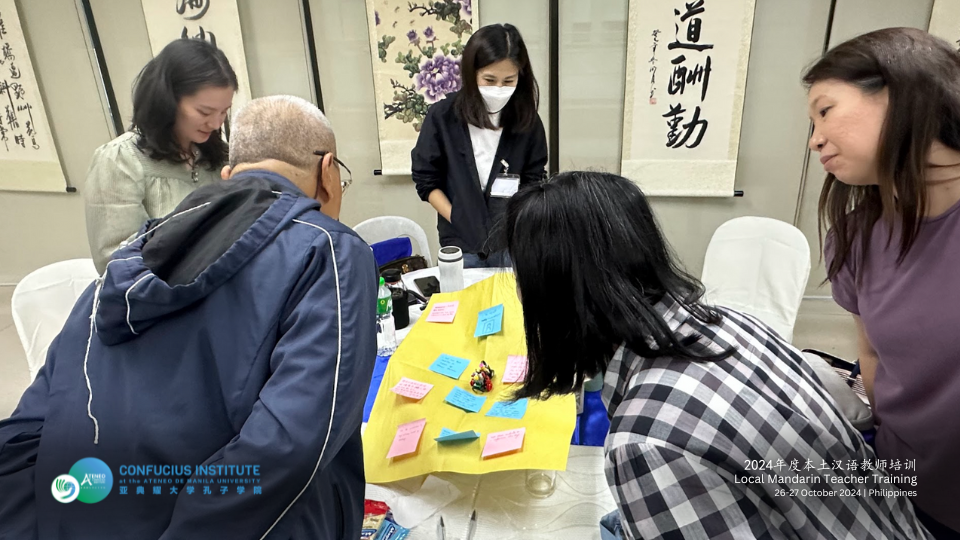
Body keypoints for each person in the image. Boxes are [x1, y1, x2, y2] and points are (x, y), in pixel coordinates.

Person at [0, 95, 376, 539]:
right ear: (328, 172)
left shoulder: (129, 261)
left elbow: (26, 431)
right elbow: (290, 445)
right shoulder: (329, 250)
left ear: (229, 176)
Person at [501, 171, 930, 540]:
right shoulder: (733, 323)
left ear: (558, 295)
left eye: (525, 277)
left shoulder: (646, 442)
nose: (521, 292)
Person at [804, 27, 960, 539]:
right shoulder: (855, 238)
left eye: (825, 111)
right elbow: (871, 354)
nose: (815, 139)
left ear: (898, 91)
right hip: (904, 492)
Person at [84, 38, 237, 274]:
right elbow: (116, 262)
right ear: (167, 100)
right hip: (162, 291)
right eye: (204, 112)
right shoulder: (120, 160)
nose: (216, 123)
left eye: (223, 112)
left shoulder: (220, 156)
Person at [411, 23, 547, 268]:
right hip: (461, 242)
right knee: (464, 293)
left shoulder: (527, 121)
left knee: (511, 294)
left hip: (511, 243)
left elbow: (534, 180)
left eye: (509, 80)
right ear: (472, 73)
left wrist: (519, 225)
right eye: (489, 80)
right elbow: (426, 180)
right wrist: (457, 218)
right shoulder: (443, 117)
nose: (499, 89)